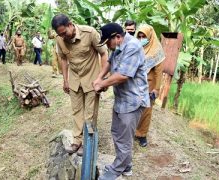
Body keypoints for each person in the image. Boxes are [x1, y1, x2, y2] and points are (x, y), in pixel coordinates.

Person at [92, 23, 150, 179]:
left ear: (117, 37)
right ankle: (127, 166)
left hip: (132, 100)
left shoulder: (133, 47)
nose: (107, 47)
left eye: (107, 43)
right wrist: (99, 78)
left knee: (123, 139)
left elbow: (123, 75)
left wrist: (102, 84)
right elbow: (110, 62)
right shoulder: (118, 46)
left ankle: (115, 170)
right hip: (122, 99)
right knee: (118, 133)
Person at [51, 14, 108, 156]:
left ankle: (87, 142)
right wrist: (65, 80)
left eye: (64, 33)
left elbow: (104, 53)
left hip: (91, 79)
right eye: (60, 34)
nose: (63, 37)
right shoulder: (60, 39)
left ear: (70, 24)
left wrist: (102, 78)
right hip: (74, 80)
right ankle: (77, 140)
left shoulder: (90, 33)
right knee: (76, 111)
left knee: (90, 113)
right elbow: (63, 59)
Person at [135, 24, 165, 147]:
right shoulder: (135, 47)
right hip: (135, 84)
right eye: (140, 36)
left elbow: (159, 73)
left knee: (146, 111)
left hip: (149, 85)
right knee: (134, 109)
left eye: (144, 36)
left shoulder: (157, 51)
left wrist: (156, 89)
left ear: (150, 36)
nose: (142, 39)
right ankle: (133, 130)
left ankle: (142, 134)